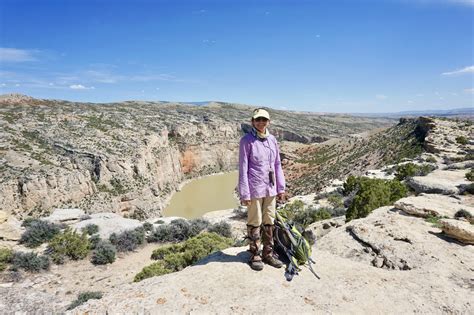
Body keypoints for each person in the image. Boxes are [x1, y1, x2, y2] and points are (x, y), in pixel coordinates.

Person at [238, 108, 286, 271]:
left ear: (268, 122)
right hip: (254, 188)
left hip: (270, 188)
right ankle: (255, 254)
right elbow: (243, 168)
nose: (261, 122)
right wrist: (244, 193)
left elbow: (277, 165)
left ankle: (268, 253)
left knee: (269, 221)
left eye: (264, 120)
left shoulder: (272, 140)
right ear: (252, 121)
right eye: (258, 119)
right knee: (255, 221)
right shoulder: (246, 141)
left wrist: (281, 188)